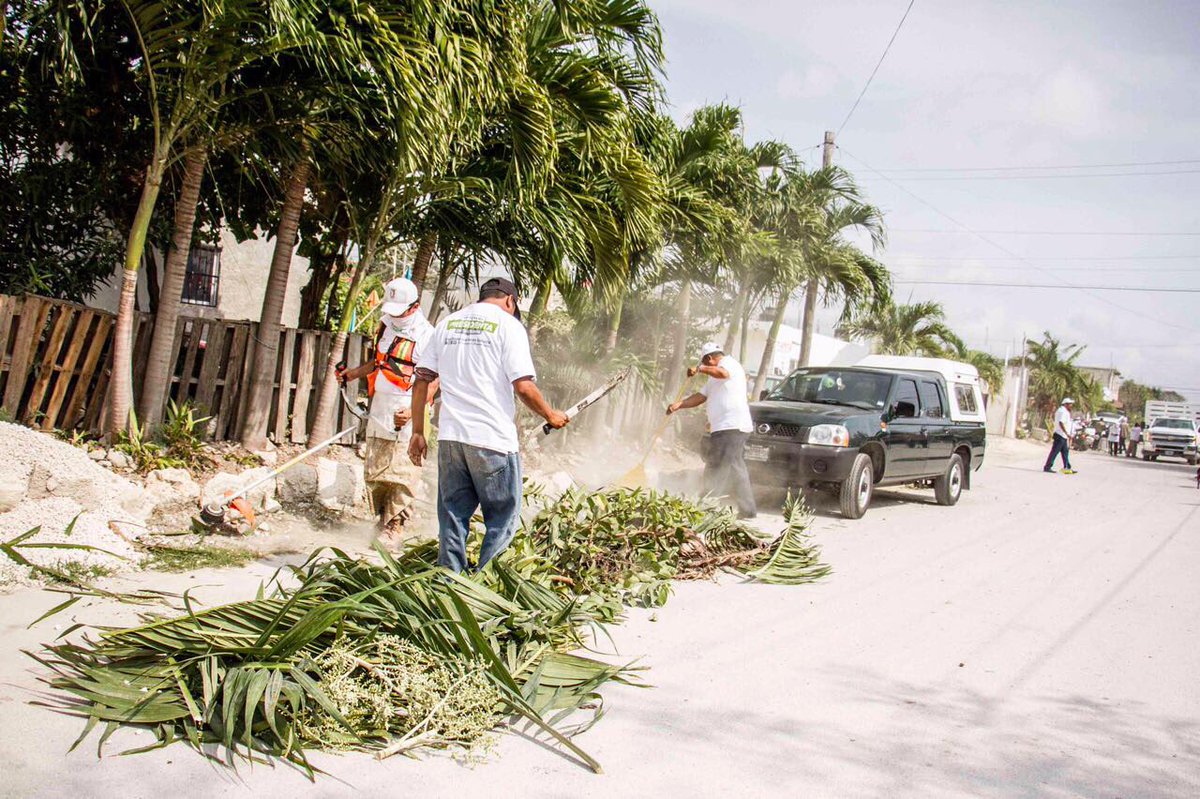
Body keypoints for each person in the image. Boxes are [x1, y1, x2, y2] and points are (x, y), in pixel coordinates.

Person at [408, 277, 568, 573]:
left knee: (453, 516)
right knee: (501, 518)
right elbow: (523, 386)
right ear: (511, 300)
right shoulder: (510, 326)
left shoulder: (448, 323)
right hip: (492, 440)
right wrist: (550, 415)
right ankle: (488, 586)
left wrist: (418, 431)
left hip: (452, 439)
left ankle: (451, 583)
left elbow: (422, 380)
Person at [336, 277, 435, 537]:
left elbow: (436, 379)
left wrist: (416, 411)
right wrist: (352, 374)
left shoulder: (427, 335)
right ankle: (382, 520)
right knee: (377, 468)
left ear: (414, 307)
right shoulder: (385, 326)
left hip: (409, 407)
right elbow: (378, 362)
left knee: (403, 471)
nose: (395, 316)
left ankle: (396, 527)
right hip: (381, 405)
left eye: (399, 311)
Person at [666, 341, 757, 519]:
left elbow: (722, 373)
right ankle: (748, 509)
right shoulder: (713, 378)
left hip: (732, 425)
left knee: (717, 465)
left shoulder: (728, 364)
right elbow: (700, 397)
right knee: (735, 466)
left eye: (705, 363)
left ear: (709, 358)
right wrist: (679, 405)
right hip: (725, 427)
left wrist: (699, 369)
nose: (705, 366)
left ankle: (706, 505)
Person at [1043, 398, 1077, 474]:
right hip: (1060, 435)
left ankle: (1067, 467)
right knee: (1054, 452)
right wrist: (1067, 433)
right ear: (1065, 404)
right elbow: (1061, 423)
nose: (1071, 405)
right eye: (1070, 404)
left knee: (1065, 452)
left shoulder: (1063, 411)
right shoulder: (1063, 412)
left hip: (1062, 435)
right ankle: (1047, 467)